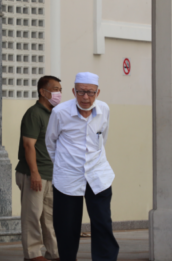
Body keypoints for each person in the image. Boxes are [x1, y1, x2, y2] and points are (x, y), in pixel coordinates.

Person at [45, 72, 119, 260]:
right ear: (73, 91)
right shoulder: (60, 112)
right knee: (67, 228)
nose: (86, 97)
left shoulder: (104, 110)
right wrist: (63, 165)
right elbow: (50, 143)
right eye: (81, 92)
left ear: (97, 92)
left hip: (98, 176)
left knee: (103, 224)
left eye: (90, 93)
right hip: (68, 178)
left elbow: (103, 138)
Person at [15, 76, 62, 261]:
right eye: (55, 89)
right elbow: (29, 145)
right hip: (33, 174)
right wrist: (34, 172)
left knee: (50, 218)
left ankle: (55, 253)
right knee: (32, 216)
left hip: (51, 175)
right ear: (43, 92)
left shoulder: (54, 114)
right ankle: (33, 254)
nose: (59, 93)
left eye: (60, 89)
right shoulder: (34, 113)